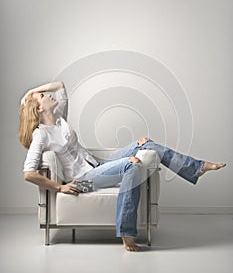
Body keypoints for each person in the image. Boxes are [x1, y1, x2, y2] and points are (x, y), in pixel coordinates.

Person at [19, 81, 226, 252]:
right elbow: (29, 173)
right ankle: (127, 233)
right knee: (132, 166)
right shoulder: (41, 135)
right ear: (38, 108)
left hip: (97, 165)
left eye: (44, 93)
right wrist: (60, 187)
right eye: (42, 96)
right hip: (82, 181)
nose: (46, 94)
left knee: (145, 143)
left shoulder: (58, 120)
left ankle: (196, 168)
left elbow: (60, 86)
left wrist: (31, 92)